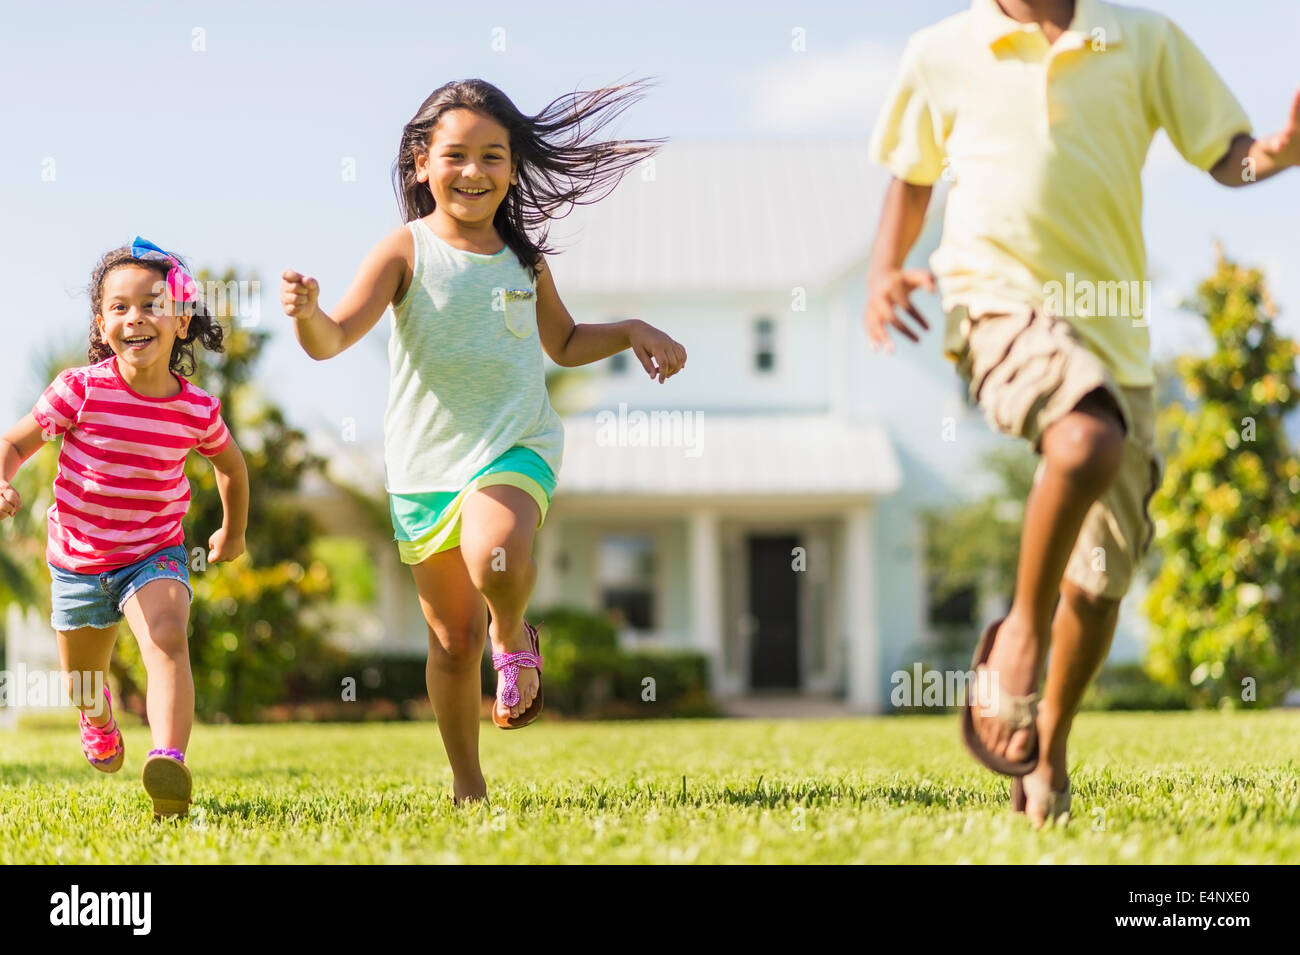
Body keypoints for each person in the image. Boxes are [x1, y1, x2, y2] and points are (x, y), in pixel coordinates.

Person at [865, 0, 1299, 826]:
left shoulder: (1144, 38)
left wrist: (1277, 154)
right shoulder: (941, 53)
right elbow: (911, 177)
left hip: (1117, 338)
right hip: (995, 306)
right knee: (1084, 435)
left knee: (1100, 586)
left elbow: (1226, 156)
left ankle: (1049, 749)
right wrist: (886, 268)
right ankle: (1018, 638)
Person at [282, 78, 687, 804]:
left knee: (494, 549)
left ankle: (514, 635)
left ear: (512, 168)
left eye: (493, 156)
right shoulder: (404, 250)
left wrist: (629, 328)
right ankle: (469, 781)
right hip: (423, 466)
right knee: (451, 642)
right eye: (457, 155)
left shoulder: (525, 262)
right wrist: (309, 313)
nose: (475, 171)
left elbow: (560, 341)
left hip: (514, 443)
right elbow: (333, 338)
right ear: (421, 163)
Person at [0, 239, 249, 818]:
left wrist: (232, 532)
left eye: (151, 305)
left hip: (154, 552)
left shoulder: (196, 410)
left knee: (166, 636)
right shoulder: (80, 390)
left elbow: (231, 465)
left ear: (181, 319)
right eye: (119, 307)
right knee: (84, 683)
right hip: (78, 561)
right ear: (102, 322)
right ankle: (98, 718)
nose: (134, 317)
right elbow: (14, 442)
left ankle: (169, 762)